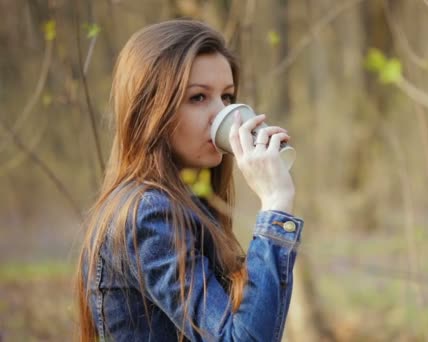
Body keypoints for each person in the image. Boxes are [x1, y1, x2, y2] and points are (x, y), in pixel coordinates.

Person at [75, 19, 303, 342]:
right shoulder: (147, 214)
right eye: (198, 98)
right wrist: (276, 203)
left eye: (226, 97)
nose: (224, 115)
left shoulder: (187, 203)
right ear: (151, 112)